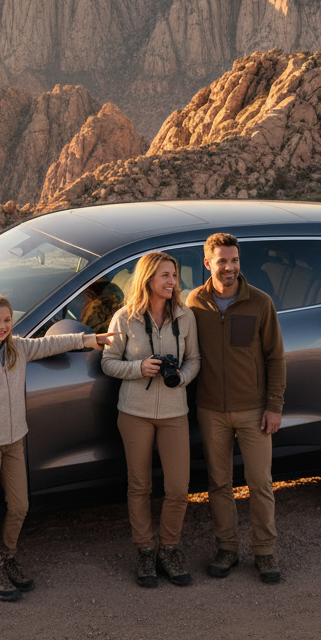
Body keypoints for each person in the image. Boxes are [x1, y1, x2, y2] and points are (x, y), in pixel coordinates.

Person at [0, 293, 114, 602]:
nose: (2, 327)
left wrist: (89, 339)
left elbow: (50, 344)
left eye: (7, 320)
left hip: (16, 441)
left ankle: (8, 555)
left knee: (19, 506)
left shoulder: (18, 348)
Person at [187, 232, 287, 583]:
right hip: (211, 410)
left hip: (253, 410)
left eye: (235, 260)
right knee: (218, 483)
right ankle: (227, 548)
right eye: (222, 261)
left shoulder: (260, 303)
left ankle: (264, 552)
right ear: (208, 263)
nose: (229, 267)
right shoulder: (194, 304)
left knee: (260, 482)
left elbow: (275, 358)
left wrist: (273, 406)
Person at [101, 252, 200, 588]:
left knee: (178, 488)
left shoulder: (185, 316)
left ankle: (168, 549)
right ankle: (145, 551)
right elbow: (108, 362)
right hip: (135, 414)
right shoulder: (124, 318)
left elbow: (195, 359)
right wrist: (139, 368)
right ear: (147, 280)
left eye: (174, 275)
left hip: (175, 414)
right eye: (164, 276)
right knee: (139, 486)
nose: (172, 281)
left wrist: (182, 377)